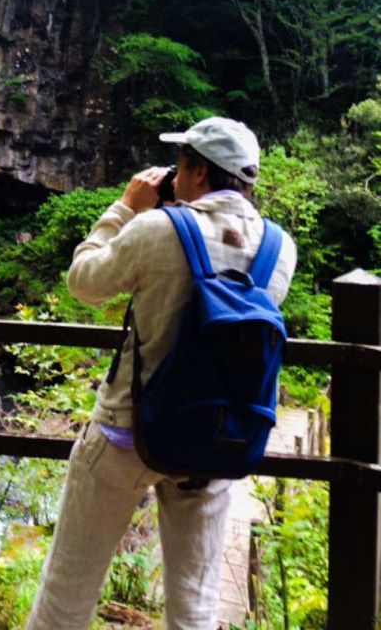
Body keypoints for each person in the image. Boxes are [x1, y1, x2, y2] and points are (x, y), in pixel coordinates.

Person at [25, 117, 297, 630]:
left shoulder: (155, 229)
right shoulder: (279, 249)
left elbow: (83, 282)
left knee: (67, 595)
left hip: (124, 434)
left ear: (194, 172)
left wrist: (125, 208)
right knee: (194, 606)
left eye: (180, 164)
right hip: (215, 440)